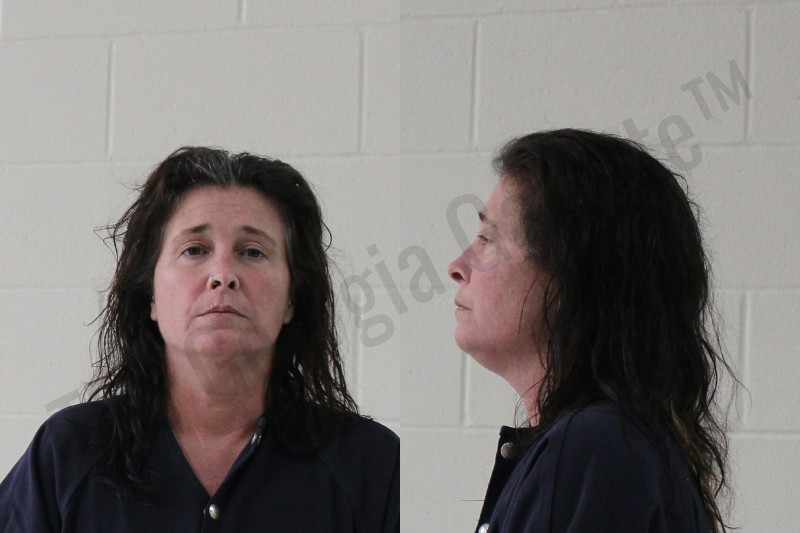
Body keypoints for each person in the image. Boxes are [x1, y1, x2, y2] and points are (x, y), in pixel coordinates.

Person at [0, 147, 400, 532]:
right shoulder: (68, 453)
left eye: (253, 252)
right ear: (151, 296)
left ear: (292, 299)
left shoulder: (371, 466)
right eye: (194, 250)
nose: (222, 274)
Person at [448, 129, 733, 533]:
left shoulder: (593, 446)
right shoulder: (611, 443)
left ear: (572, 273)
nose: (457, 267)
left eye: (486, 240)